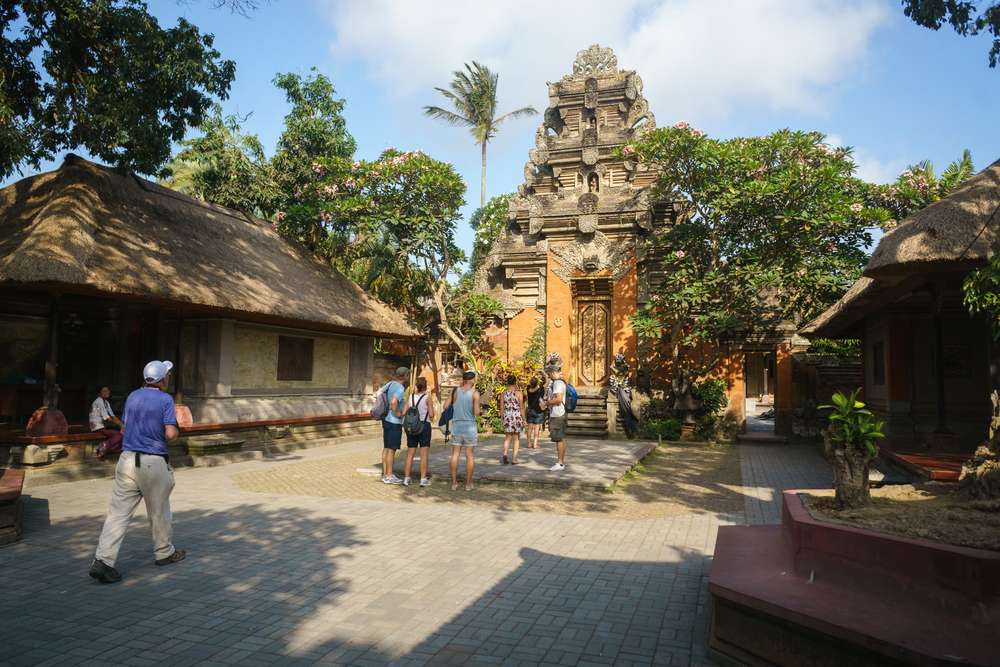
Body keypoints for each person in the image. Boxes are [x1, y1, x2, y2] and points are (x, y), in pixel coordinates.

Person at [89, 360, 184, 584]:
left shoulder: (132, 396)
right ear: (162, 380)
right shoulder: (165, 399)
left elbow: (126, 426)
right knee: (159, 510)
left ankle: (103, 561)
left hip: (127, 460)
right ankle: (164, 552)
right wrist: (173, 432)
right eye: (167, 375)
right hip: (152, 461)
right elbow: (170, 434)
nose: (168, 378)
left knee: (118, 513)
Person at [443, 370, 480, 491]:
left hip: (457, 427)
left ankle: (454, 483)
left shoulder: (455, 391)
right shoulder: (475, 393)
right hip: (470, 427)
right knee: (469, 455)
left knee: (455, 455)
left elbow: (445, 406)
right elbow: (476, 412)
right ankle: (468, 484)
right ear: (472, 380)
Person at [403, 377, 435, 487]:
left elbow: (404, 412)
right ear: (425, 386)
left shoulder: (410, 397)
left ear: (417, 385)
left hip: (411, 427)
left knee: (410, 454)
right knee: (424, 455)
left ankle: (406, 479)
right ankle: (423, 479)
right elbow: (431, 414)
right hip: (424, 426)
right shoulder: (427, 397)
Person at [380, 367, 409, 485]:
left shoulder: (390, 384)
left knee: (386, 447)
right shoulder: (400, 388)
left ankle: (385, 473)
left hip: (386, 419)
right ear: (406, 375)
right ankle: (389, 475)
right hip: (394, 421)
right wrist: (397, 412)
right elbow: (393, 401)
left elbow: (380, 393)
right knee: (392, 450)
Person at [544, 360, 568, 471]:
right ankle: (561, 462)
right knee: (560, 438)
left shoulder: (558, 383)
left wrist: (546, 403)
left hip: (558, 414)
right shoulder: (561, 382)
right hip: (559, 413)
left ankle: (560, 463)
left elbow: (558, 400)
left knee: (559, 439)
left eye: (549, 374)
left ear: (553, 372)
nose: (548, 376)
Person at [89, 386, 123, 459]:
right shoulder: (99, 401)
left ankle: (108, 449)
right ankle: (104, 445)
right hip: (97, 427)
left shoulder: (106, 402)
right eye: (104, 391)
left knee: (121, 434)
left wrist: (122, 425)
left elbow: (113, 416)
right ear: (99, 393)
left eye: (108, 390)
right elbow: (107, 418)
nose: (107, 392)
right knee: (119, 435)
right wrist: (121, 425)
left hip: (103, 426)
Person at [500, 375, 525, 465]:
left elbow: (502, 408)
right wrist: (524, 419)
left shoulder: (503, 393)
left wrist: (502, 418)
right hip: (516, 416)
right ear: (515, 382)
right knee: (516, 438)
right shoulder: (519, 393)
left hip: (507, 415)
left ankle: (505, 454)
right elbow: (522, 408)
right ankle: (514, 459)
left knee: (507, 438)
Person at [525, 376, 545, 449]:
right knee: (536, 428)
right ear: (537, 383)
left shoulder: (528, 389)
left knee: (529, 428)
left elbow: (528, 384)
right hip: (538, 410)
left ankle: (529, 443)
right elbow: (542, 396)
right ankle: (535, 444)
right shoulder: (540, 389)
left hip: (530, 410)